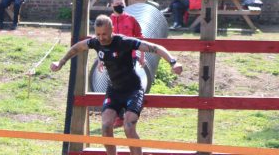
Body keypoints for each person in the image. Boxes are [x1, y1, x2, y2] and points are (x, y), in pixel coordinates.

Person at [51, 14, 182, 155]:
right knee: (106, 126)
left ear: (112, 29)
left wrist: (173, 62)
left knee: (128, 126)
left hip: (133, 89)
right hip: (114, 90)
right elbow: (77, 47)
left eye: (105, 34)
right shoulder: (95, 42)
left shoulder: (124, 42)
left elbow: (155, 48)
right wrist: (61, 61)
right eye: (98, 34)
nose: (101, 38)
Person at [108, 0, 145, 129]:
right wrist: (100, 60)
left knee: (128, 84)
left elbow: (140, 38)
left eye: (122, 3)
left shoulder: (131, 19)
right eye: (117, 3)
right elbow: (101, 40)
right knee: (115, 84)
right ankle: (118, 115)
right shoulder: (108, 21)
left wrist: (142, 56)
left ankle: (129, 113)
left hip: (130, 56)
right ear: (112, 5)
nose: (120, 5)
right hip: (112, 58)